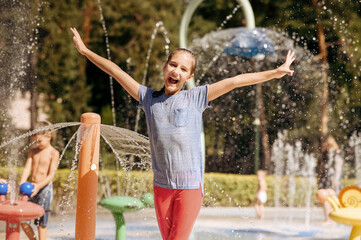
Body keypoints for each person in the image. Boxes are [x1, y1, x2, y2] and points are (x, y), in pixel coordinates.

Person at [71, 27, 295, 240]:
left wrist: (275, 73)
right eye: (173, 65)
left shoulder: (196, 98)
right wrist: (85, 51)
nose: (176, 71)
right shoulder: (148, 99)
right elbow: (115, 71)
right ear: (165, 67)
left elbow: (235, 81)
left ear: (189, 77)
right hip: (161, 187)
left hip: (189, 188)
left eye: (183, 69)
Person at [19, 121, 59, 240]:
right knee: (23, 220)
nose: (37, 143)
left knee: (41, 224)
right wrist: (22, 182)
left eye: (40, 140)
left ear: (49, 136)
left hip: (44, 190)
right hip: (30, 189)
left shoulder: (53, 153)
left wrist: (39, 186)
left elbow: (51, 175)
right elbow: (27, 169)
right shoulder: (33, 151)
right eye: (35, 140)